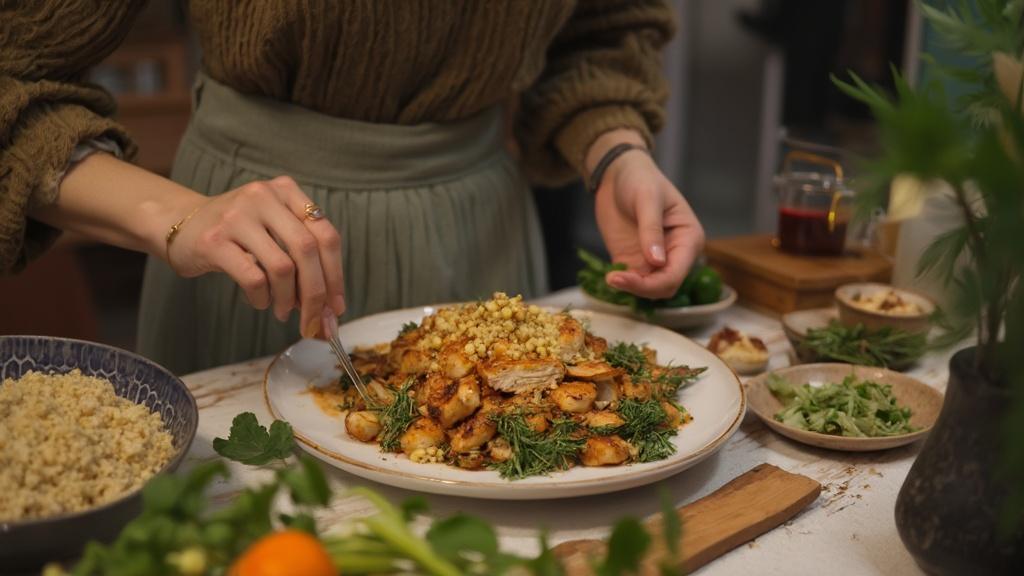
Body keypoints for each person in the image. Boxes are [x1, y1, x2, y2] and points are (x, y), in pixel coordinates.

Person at [0, 1, 704, 374]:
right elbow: (14, 70)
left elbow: (600, 28)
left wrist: (614, 153)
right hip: (255, 253)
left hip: (483, 236)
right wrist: (177, 216)